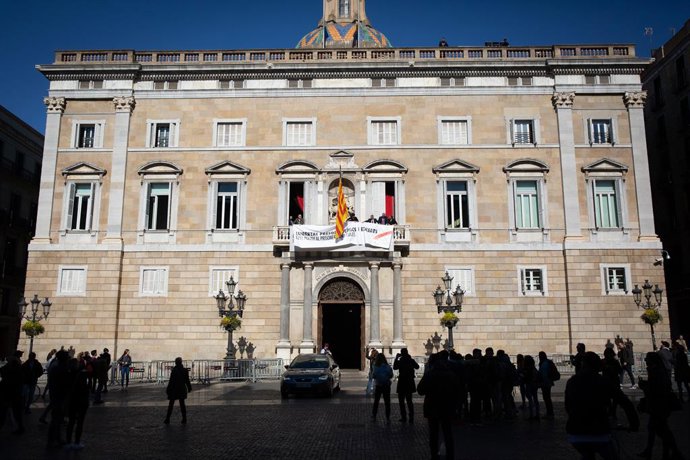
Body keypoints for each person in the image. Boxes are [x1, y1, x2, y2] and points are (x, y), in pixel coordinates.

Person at [565, 351, 639, 460]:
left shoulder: (572, 381)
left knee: (587, 455)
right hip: (598, 430)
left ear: (583, 364)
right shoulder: (604, 381)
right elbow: (625, 403)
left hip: (576, 432)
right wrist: (634, 423)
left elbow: (568, 406)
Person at [638, 352, 683, 459]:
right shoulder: (657, 370)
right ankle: (662, 453)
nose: (645, 361)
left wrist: (643, 385)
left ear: (652, 360)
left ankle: (674, 452)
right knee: (659, 429)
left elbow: (656, 389)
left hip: (659, 406)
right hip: (660, 406)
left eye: (647, 359)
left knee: (661, 431)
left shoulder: (656, 371)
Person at [418, 351, 457, 460]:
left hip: (432, 408)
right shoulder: (451, 375)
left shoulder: (430, 375)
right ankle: (450, 455)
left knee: (433, 434)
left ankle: (434, 455)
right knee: (448, 433)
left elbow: (420, 390)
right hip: (447, 408)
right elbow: (458, 390)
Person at [65, 357, 90, 450]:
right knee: (80, 422)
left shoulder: (67, 374)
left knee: (71, 422)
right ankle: (77, 442)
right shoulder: (82, 374)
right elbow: (85, 387)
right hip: (81, 401)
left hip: (71, 400)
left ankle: (68, 442)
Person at [0, 350, 25, 435]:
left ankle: (19, 427)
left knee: (6, 411)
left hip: (9, 393)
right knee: (13, 411)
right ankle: (20, 427)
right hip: (13, 393)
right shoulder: (16, 368)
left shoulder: (8, 369)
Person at [393, 348, 419, 423]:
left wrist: (396, 358)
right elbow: (417, 367)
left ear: (401, 353)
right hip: (409, 382)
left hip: (402, 382)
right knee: (409, 401)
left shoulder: (401, 361)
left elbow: (395, 367)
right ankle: (411, 417)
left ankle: (403, 417)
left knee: (401, 401)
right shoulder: (411, 360)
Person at [165, 357, 192, 424]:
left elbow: (171, 381)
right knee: (182, 404)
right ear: (181, 362)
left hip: (174, 389)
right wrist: (189, 387)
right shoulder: (185, 370)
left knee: (171, 404)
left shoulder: (174, 370)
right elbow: (187, 381)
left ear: (176, 362)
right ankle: (184, 418)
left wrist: (168, 389)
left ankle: (167, 419)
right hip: (182, 389)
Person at [371, 353, 393, 422]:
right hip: (386, 385)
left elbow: (373, 376)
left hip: (379, 386)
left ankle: (374, 415)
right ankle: (388, 417)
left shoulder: (376, 367)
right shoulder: (388, 366)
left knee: (376, 401)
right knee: (387, 402)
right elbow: (391, 375)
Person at [537, 351, 555, 419]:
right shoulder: (547, 362)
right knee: (547, 398)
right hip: (548, 383)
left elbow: (544, 376)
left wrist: (541, 383)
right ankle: (550, 413)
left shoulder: (544, 364)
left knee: (547, 398)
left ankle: (550, 414)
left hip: (545, 384)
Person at [523, 355, 540, 421]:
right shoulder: (533, 368)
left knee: (530, 400)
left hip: (529, 384)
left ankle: (531, 415)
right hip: (534, 385)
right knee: (535, 399)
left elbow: (526, 377)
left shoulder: (527, 369)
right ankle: (537, 414)